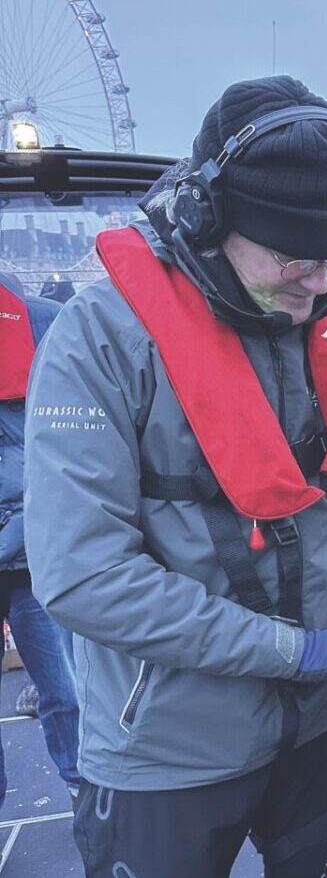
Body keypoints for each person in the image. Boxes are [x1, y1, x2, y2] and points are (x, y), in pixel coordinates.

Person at [23, 75, 327, 878]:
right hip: (162, 753)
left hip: (320, 729)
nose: (320, 286)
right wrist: (301, 651)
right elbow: (83, 577)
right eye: (295, 261)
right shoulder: (95, 346)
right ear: (210, 222)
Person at [0, 272, 79, 807]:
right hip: (29, 538)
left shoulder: (42, 321)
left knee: (65, 692)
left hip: (30, 554)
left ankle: (89, 803)